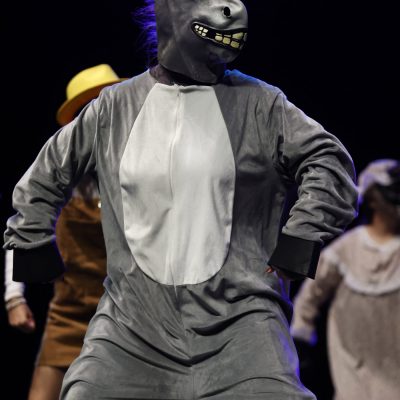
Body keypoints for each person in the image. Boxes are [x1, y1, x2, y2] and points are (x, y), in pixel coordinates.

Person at [4, 1, 358, 399]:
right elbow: (46, 173)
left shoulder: (262, 104)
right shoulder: (114, 107)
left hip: (241, 325)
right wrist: (31, 240)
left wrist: (302, 236)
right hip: (132, 328)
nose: (233, 8)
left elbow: (328, 160)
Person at [4, 64, 124, 400]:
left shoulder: (137, 169)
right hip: (69, 312)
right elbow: (24, 226)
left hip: (124, 313)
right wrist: (14, 298)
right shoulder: (59, 175)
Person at [290, 159, 400, 400]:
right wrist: (301, 334)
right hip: (353, 364)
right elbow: (310, 294)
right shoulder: (348, 250)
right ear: (373, 199)